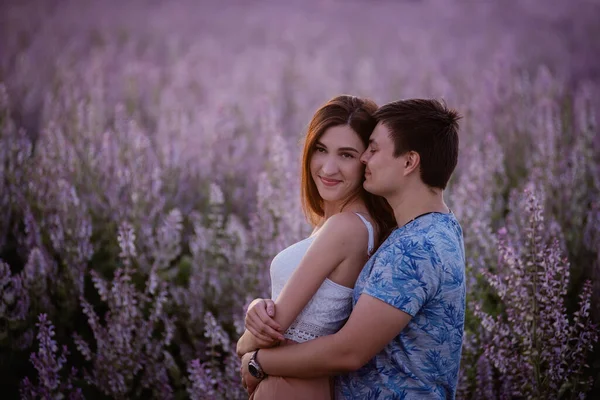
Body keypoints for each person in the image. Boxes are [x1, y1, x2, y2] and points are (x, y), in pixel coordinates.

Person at [240, 98, 466, 399]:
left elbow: (348, 351)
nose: (364, 160)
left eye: (371, 150)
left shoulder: (414, 246)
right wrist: (260, 307)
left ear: (409, 162)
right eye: (320, 149)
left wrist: (257, 360)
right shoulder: (433, 229)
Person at [236, 95, 396, 399]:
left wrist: (245, 347)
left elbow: (268, 333)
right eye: (321, 150)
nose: (328, 167)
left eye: (347, 155)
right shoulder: (340, 223)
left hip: (290, 386)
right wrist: (258, 307)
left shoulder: (345, 227)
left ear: (367, 161)